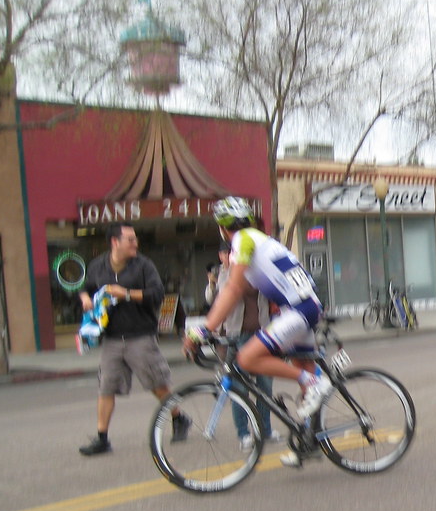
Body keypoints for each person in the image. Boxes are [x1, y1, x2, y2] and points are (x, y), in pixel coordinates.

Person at [184, 196, 332, 466]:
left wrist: (204, 329)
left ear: (222, 227)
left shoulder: (241, 240)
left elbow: (233, 288)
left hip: (298, 310)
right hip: (306, 307)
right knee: (302, 368)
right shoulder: (263, 240)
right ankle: (311, 439)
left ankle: (315, 383)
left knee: (247, 358)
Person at [78, 222, 190, 455]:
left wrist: (126, 293)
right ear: (115, 242)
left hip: (140, 335)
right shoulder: (98, 266)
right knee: (106, 387)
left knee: (156, 384)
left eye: (135, 239)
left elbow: (157, 294)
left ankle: (179, 418)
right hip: (111, 338)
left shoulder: (143, 265)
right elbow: (86, 287)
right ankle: (102, 438)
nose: (135, 243)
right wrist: (85, 298)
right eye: (130, 239)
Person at [207, 239, 282, 450]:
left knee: (265, 385)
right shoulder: (226, 273)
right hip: (237, 335)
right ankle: (243, 433)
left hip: (263, 334)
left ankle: (265, 429)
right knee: (240, 387)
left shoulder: (260, 271)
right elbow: (223, 295)